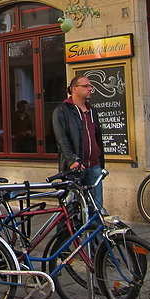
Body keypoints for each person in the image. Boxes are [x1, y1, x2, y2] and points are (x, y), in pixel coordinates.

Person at [53, 75, 106, 208]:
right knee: (71, 208)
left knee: (96, 207)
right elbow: (61, 139)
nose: (90, 89)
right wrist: (72, 160)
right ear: (74, 89)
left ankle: (95, 229)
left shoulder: (92, 110)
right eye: (86, 86)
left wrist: (100, 162)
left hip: (94, 166)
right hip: (75, 168)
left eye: (91, 86)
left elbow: (97, 137)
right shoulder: (62, 111)